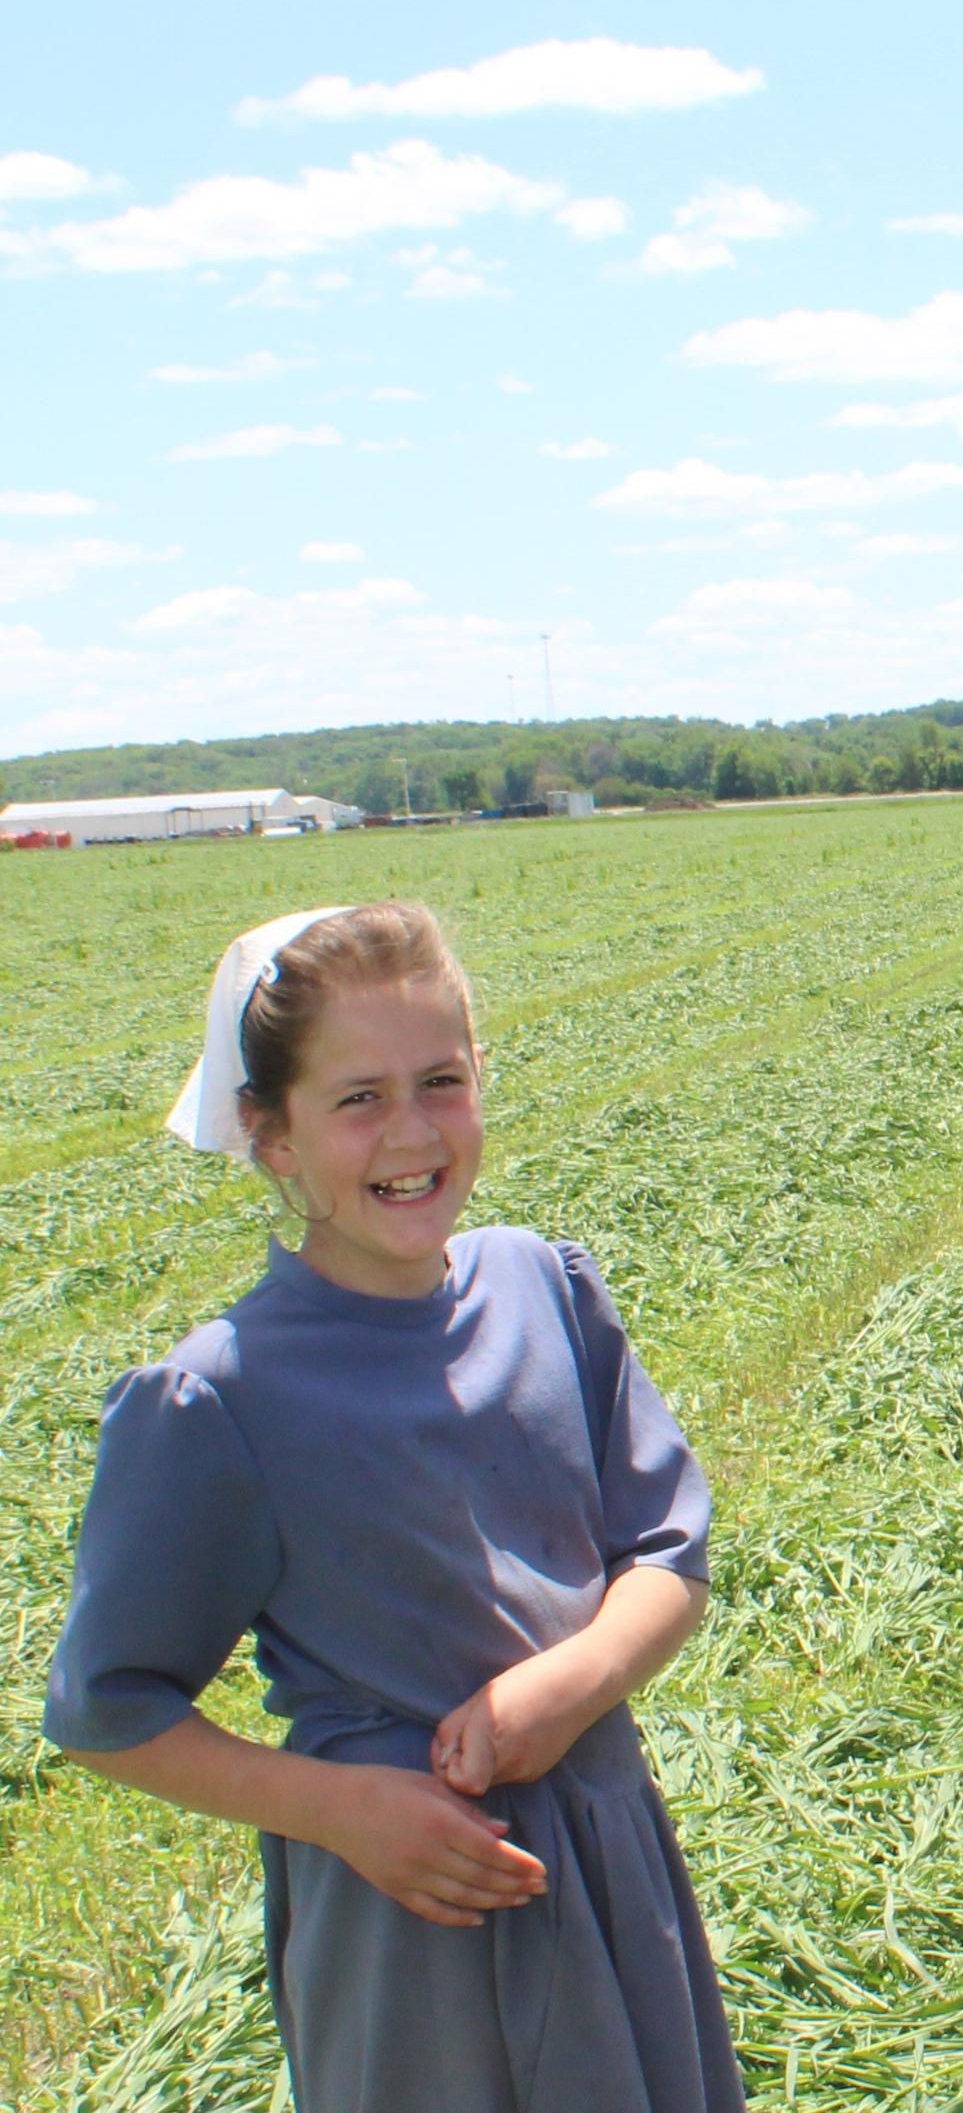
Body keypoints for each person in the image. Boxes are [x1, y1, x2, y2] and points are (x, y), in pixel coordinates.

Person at [42, 903, 739, 2113]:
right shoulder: (220, 1398)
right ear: (271, 1137)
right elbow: (107, 1710)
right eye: (357, 1098)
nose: (411, 1132)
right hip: (413, 1905)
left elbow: (669, 1552)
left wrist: (566, 1688)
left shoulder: (546, 1288)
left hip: (599, 1833)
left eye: (441, 1081)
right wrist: (345, 1811)